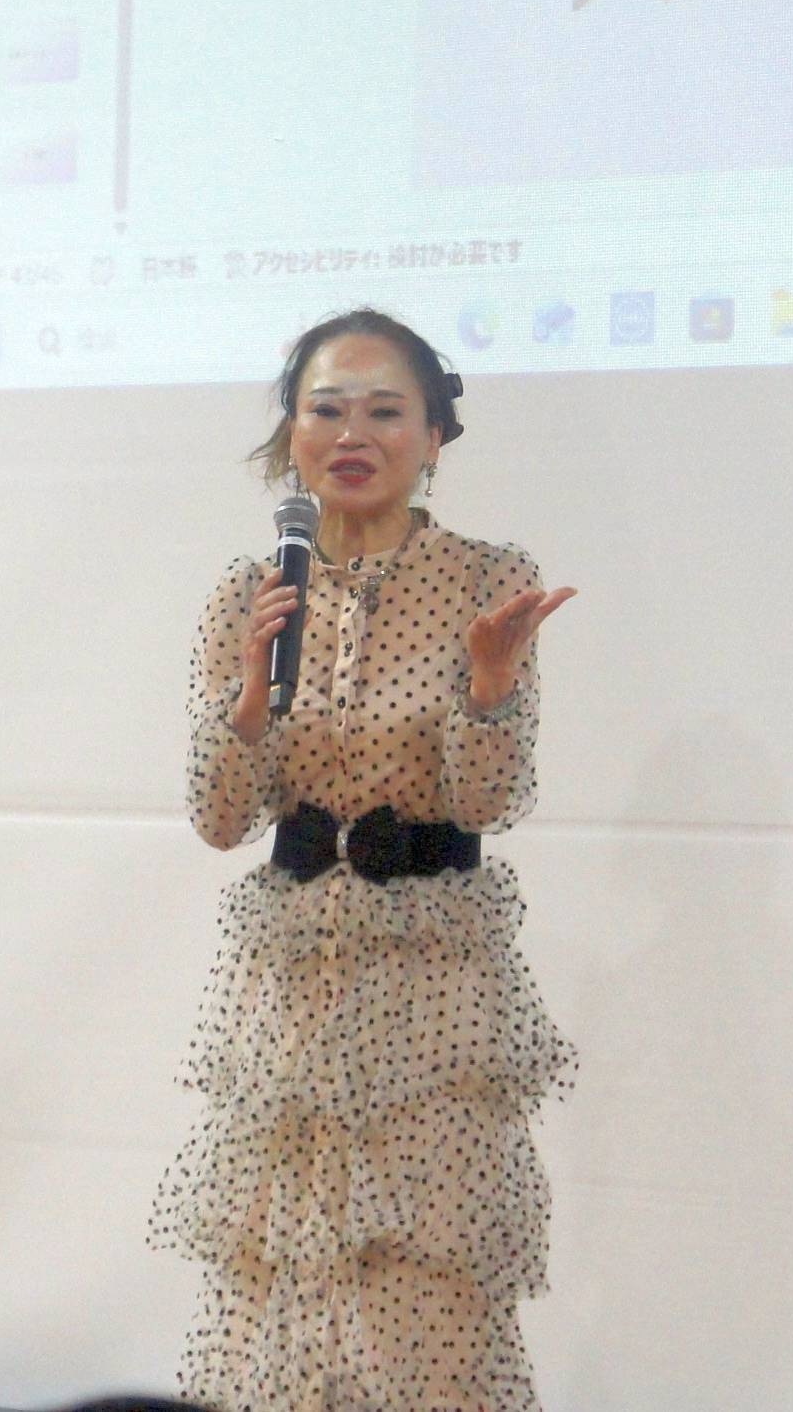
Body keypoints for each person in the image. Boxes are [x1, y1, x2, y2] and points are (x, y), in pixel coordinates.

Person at [148, 308, 577, 1412]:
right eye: (326, 409)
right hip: (296, 985)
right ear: (290, 434)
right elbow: (218, 820)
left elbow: (488, 801)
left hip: (432, 993)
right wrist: (251, 698)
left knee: (424, 1284)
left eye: (385, 411)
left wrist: (488, 691)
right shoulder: (250, 594)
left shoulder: (487, 578)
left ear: (433, 436)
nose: (352, 433)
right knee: (288, 1278)